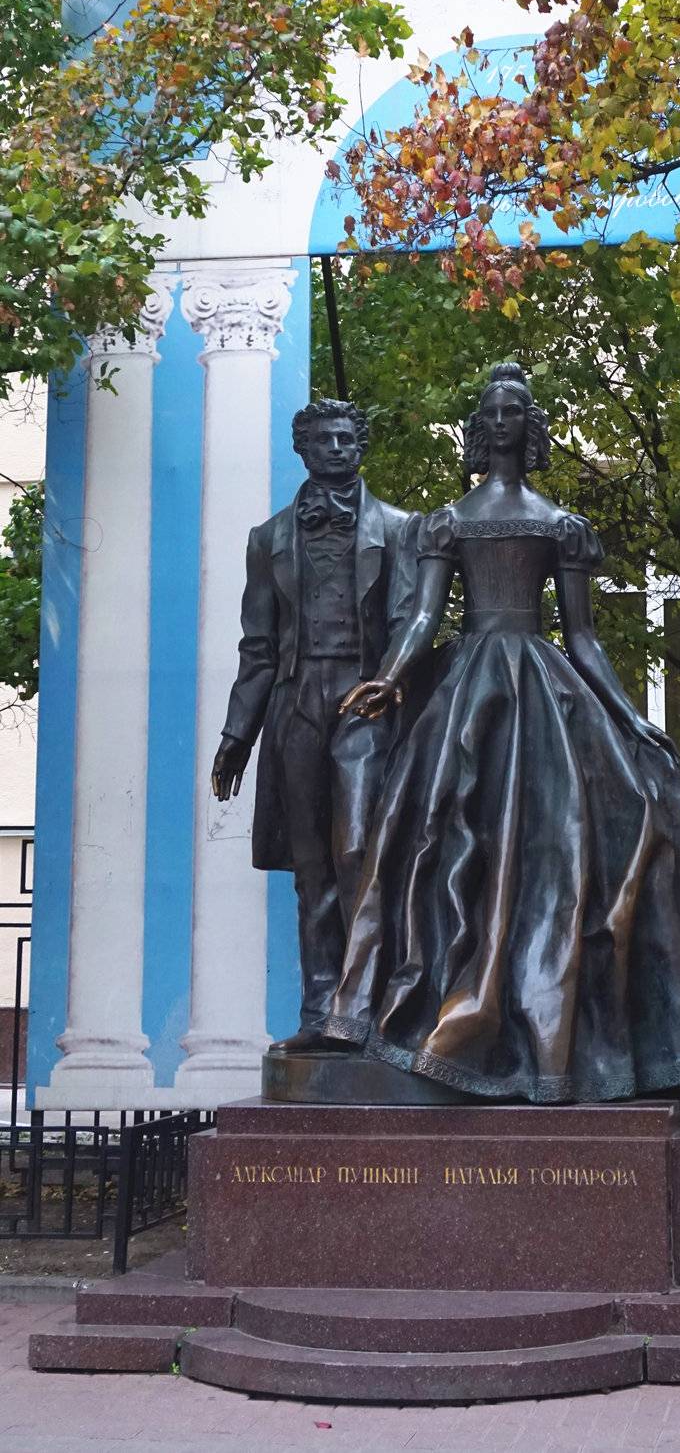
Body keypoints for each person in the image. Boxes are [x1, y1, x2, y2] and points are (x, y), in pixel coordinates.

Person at [320, 364, 680, 1102]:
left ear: (529, 427)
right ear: (480, 427)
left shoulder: (561, 526)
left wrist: (630, 717)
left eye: (514, 411)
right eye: (491, 411)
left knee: (605, 828)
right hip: (468, 691)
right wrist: (392, 677)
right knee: (440, 839)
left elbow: (583, 637)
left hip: (542, 683)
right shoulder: (448, 521)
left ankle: (574, 1036)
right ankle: (438, 1009)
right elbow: (426, 617)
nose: (501, 421)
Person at [211, 397, 419, 1052]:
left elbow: (409, 621)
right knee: (311, 868)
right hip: (296, 702)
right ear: (302, 449)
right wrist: (237, 735)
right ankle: (320, 1012)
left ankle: (371, 1010)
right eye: (323, 439)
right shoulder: (268, 538)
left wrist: (390, 682)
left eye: (345, 438)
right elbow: (257, 647)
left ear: (361, 445)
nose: (335, 448)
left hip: (365, 701)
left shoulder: (399, 529)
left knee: (357, 853)